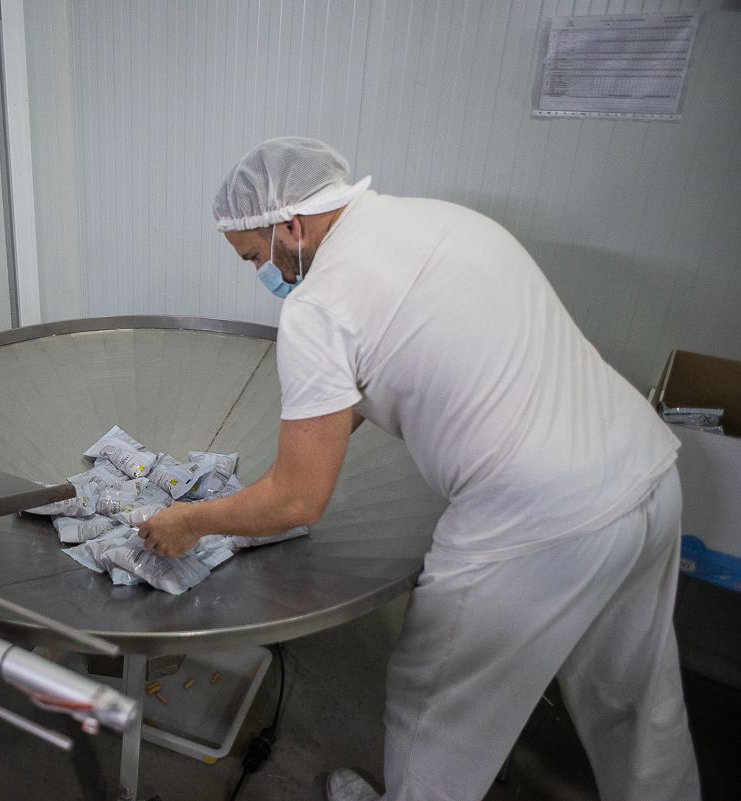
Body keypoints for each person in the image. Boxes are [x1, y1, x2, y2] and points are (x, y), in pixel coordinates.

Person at [136, 137, 701, 801]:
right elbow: (401, 355)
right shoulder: (445, 221)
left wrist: (191, 521)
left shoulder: (318, 308)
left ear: (289, 225)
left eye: (255, 257)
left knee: (434, 708)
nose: (262, 273)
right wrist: (296, 455)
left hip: (540, 525)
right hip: (647, 473)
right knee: (635, 702)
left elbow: (298, 501)